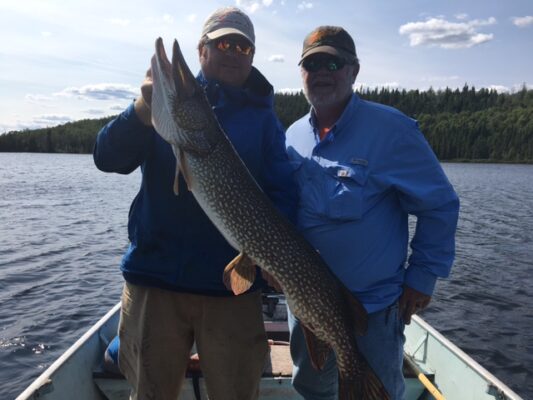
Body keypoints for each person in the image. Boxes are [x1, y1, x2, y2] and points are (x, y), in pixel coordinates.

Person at [93, 7, 297, 400]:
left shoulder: (264, 120)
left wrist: (275, 254)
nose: (233, 52)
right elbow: (107, 158)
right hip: (155, 281)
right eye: (223, 44)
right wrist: (140, 111)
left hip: (230, 293)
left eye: (242, 47)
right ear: (202, 50)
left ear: (252, 56)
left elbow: (283, 192)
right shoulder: (166, 107)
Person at [284, 26, 460, 400]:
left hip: (373, 310)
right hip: (306, 305)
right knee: (314, 392)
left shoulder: (392, 130)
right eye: (312, 64)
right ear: (301, 72)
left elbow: (440, 206)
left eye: (333, 63)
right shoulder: (292, 136)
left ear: (354, 70)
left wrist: (422, 277)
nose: (322, 72)